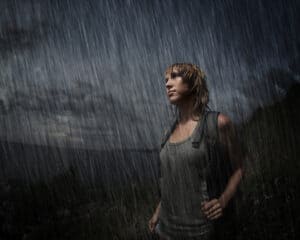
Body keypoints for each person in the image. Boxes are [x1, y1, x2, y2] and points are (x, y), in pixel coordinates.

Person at [148, 63, 244, 240]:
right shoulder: (167, 134)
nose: (167, 84)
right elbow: (171, 180)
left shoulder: (218, 124)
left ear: (193, 83)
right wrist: (157, 212)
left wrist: (223, 201)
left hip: (200, 232)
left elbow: (239, 169)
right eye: (166, 80)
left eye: (175, 76)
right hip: (165, 231)